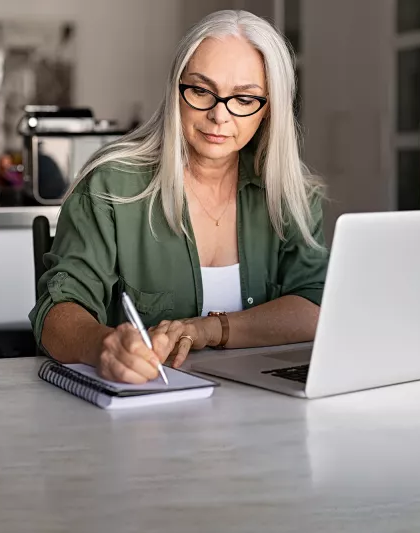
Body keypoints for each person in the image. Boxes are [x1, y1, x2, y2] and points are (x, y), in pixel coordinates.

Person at [29, 10, 328, 384]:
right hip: (143, 414)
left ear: (268, 110)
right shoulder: (110, 184)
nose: (219, 115)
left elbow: (315, 306)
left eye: (244, 99)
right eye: (201, 91)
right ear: (176, 90)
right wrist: (102, 345)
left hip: (265, 408)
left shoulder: (290, 193)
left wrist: (208, 329)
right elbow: (56, 312)